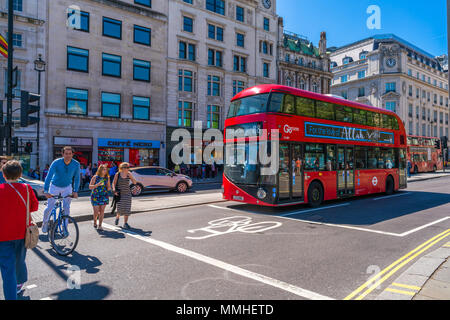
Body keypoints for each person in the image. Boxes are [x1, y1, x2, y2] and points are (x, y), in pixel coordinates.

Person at [0, 160, 39, 300]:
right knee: (20, 260)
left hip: (2, 235)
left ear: (3, 175)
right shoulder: (27, 188)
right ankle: (19, 283)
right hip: (22, 233)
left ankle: (11, 295)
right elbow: (34, 207)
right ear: (20, 174)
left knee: (7, 269)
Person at [42, 146, 80, 234]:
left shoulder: (76, 164)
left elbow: (77, 178)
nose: (68, 155)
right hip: (54, 186)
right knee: (49, 207)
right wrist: (46, 190)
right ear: (62, 154)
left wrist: (75, 191)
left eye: (70, 154)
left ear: (72, 154)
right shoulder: (56, 162)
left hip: (67, 187)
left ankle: (65, 227)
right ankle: (45, 223)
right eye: (66, 153)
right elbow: (49, 176)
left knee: (66, 208)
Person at [112, 162, 137, 229]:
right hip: (120, 194)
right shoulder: (117, 174)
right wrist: (114, 190)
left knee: (127, 209)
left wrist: (131, 176)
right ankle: (117, 217)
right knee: (119, 208)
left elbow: (135, 182)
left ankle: (125, 223)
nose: (128, 169)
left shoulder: (129, 174)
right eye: (127, 167)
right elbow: (113, 183)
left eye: (128, 167)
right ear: (122, 168)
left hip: (127, 194)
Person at [89, 164, 111, 232]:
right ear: (100, 170)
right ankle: (95, 221)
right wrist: (97, 184)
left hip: (104, 196)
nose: (105, 170)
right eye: (103, 169)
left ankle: (100, 225)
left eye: (105, 169)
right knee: (96, 211)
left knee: (102, 211)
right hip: (95, 196)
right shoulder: (95, 177)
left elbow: (108, 187)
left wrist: (109, 188)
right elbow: (90, 187)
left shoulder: (107, 178)